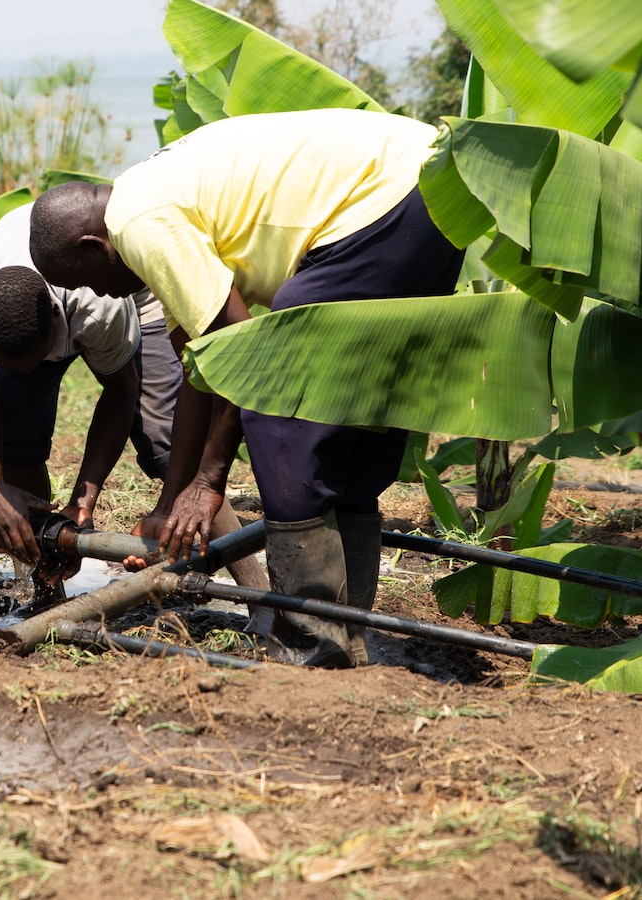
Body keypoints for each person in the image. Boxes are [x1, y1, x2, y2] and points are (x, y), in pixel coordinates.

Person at [29, 108, 465, 667]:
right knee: (347, 411)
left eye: (89, 280)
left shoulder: (141, 225)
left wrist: (210, 482)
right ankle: (346, 640)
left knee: (280, 413)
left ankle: (309, 647)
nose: (106, 295)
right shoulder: (150, 194)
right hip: (431, 183)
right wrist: (170, 502)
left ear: (94, 246)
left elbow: (247, 358)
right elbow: (202, 370)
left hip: (389, 196)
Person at [0, 202, 269, 601]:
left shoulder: (99, 307)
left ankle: (256, 595)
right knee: (16, 441)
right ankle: (46, 588)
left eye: (32, 362)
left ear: (55, 323)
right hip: (23, 300)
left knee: (167, 444)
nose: (25, 373)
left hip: (134, 295)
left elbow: (121, 393)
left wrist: (82, 502)